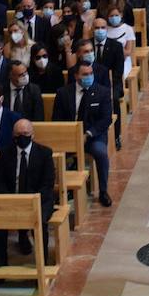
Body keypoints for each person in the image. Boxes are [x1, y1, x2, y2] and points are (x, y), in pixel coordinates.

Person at [0, 119, 57, 266]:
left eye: (26, 133)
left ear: (32, 134)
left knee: (41, 222)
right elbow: (0, 182)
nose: (22, 137)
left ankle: (42, 263)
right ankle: (1, 264)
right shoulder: (6, 153)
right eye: (18, 134)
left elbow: (47, 184)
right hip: (12, 200)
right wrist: (11, 201)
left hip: (38, 200)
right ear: (13, 136)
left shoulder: (44, 153)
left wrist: (33, 201)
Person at [53, 62, 112, 206]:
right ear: (76, 76)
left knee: (101, 153)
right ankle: (56, 191)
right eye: (85, 74)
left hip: (93, 137)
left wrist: (88, 134)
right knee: (51, 155)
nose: (89, 76)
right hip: (68, 137)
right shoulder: (63, 93)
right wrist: (69, 135)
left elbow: (105, 119)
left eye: (91, 73)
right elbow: (57, 119)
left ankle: (103, 191)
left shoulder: (102, 92)